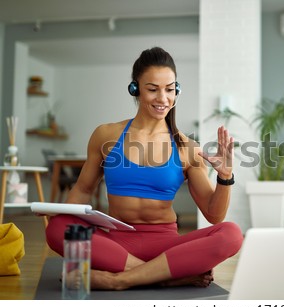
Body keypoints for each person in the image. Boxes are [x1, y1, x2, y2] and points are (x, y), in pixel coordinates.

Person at [45, 47, 243, 290]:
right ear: (135, 89)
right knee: (57, 227)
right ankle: (163, 277)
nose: (163, 99)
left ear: (177, 90)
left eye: (170, 89)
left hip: (165, 248)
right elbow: (83, 190)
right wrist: (57, 211)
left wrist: (225, 176)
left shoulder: (187, 148)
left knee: (232, 234)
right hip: (114, 242)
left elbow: (214, 215)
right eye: (153, 89)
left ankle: (118, 279)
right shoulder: (106, 135)